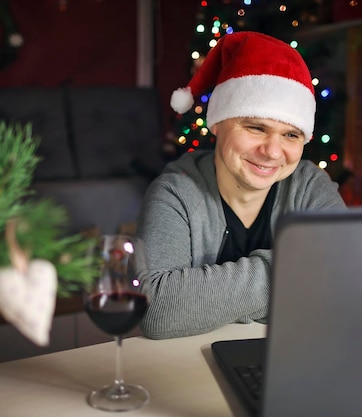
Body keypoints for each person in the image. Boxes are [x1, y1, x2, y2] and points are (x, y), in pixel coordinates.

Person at [136, 31, 346, 340]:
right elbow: (156, 310)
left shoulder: (309, 186)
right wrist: (297, 271)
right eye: (256, 128)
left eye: (291, 135)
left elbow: (349, 276)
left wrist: (214, 303)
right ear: (218, 123)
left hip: (290, 356)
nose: (273, 152)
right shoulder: (175, 193)